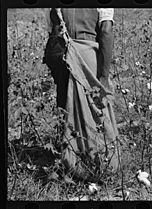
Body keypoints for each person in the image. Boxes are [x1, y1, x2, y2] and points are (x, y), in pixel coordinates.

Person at [43, 8, 119, 182]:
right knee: (96, 111)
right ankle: (100, 165)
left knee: (67, 108)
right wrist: (104, 76)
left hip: (61, 54)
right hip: (86, 56)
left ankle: (70, 162)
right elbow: (106, 30)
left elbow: (53, 27)